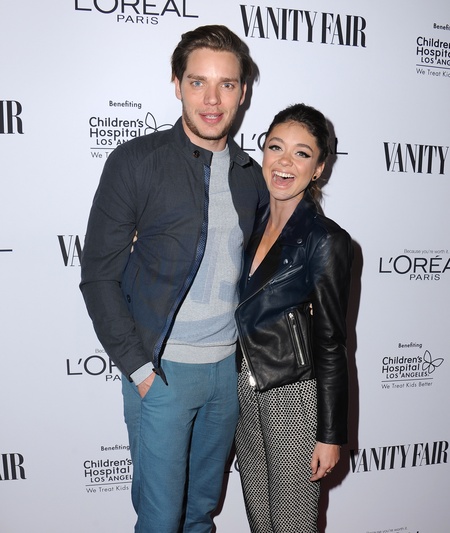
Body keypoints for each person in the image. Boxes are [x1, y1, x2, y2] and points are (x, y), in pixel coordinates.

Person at [80, 25, 267, 533]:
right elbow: (98, 276)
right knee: (161, 522)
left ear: (243, 92)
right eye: (198, 82)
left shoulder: (251, 175)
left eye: (227, 84)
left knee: (200, 515)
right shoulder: (136, 162)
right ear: (177, 84)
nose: (212, 99)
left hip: (225, 374)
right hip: (161, 372)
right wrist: (139, 369)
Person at [234, 103, 353, 533]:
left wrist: (330, 434)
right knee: (261, 523)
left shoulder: (325, 240)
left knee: (293, 526)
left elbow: (332, 342)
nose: (284, 162)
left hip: (293, 398)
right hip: (243, 392)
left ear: (318, 168)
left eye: (301, 154)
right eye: (276, 147)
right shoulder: (249, 223)